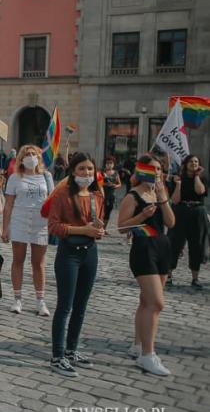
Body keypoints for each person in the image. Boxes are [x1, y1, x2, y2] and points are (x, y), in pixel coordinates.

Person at [117, 154, 177, 376]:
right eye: (152, 169)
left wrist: (163, 199)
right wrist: (142, 215)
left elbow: (171, 222)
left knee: (146, 302)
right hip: (144, 250)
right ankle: (147, 355)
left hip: (162, 247)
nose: (157, 173)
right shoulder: (133, 196)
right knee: (156, 303)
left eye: (159, 169)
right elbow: (122, 227)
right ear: (141, 171)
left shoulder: (160, 193)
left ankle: (138, 344)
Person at [47, 152, 105, 377]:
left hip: (90, 252)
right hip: (69, 254)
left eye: (90, 169)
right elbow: (54, 226)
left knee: (81, 306)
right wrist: (83, 230)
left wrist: (98, 229)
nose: (86, 173)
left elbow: (96, 223)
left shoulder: (95, 194)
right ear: (73, 171)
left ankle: (72, 350)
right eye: (82, 169)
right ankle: (57, 356)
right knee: (65, 306)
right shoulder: (62, 194)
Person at [2, 145, 53, 316]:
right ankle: (17, 299)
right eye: (27, 154)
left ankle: (40, 300)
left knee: (38, 263)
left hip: (40, 223)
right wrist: (5, 228)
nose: (31, 157)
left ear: (39, 158)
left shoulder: (46, 176)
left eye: (34, 154)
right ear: (21, 158)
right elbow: (8, 204)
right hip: (19, 221)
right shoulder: (15, 178)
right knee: (18, 260)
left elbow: (52, 201)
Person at [168, 155, 207, 289]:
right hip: (180, 212)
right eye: (191, 161)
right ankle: (168, 275)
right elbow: (175, 200)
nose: (194, 163)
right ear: (185, 164)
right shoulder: (177, 179)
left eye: (196, 161)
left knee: (197, 245)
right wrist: (178, 184)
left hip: (197, 213)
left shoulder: (202, 179)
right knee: (175, 243)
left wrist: (197, 176)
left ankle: (195, 279)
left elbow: (200, 191)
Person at [101, 156, 122, 229]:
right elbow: (98, 183)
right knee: (101, 212)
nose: (109, 165)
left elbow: (119, 184)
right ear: (105, 164)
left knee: (108, 212)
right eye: (107, 163)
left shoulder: (116, 173)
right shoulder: (102, 172)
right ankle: (99, 227)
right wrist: (105, 184)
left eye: (111, 163)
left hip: (111, 196)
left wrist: (115, 185)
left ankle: (104, 228)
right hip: (103, 195)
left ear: (113, 164)